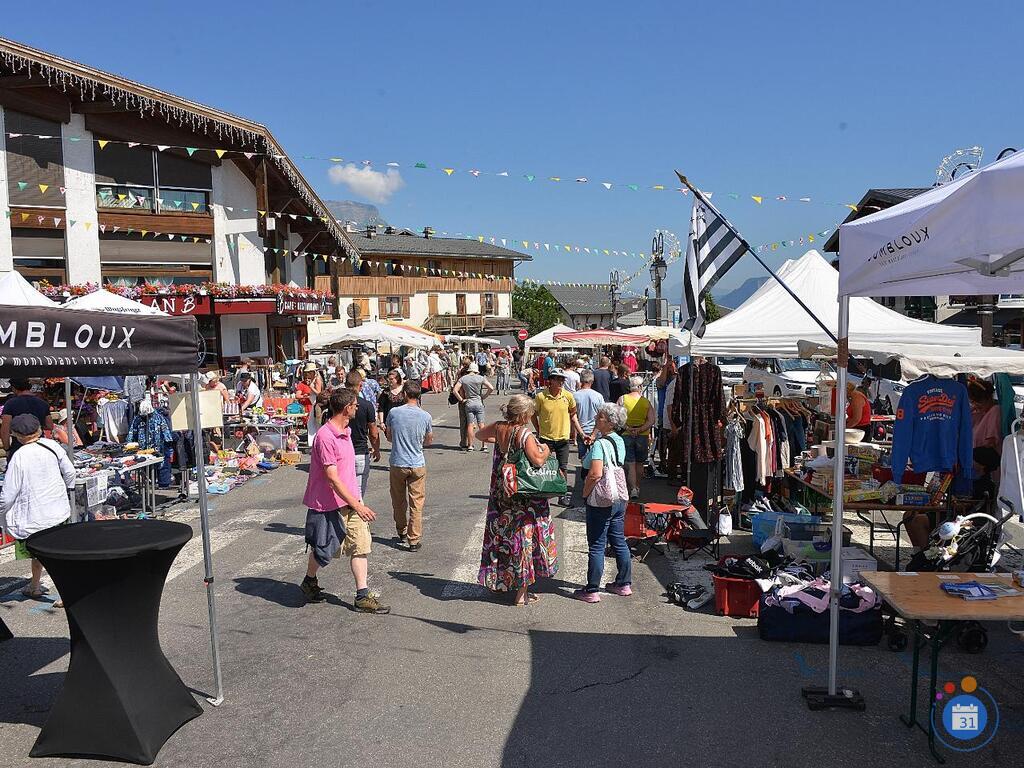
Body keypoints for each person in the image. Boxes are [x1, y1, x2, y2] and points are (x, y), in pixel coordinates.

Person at [299, 389, 389, 613]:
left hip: (351, 500)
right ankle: (309, 580)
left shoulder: (346, 431)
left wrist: (357, 501)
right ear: (347, 408)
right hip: (329, 504)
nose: (357, 408)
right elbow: (332, 478)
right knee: (323, 550)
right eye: (355, 405)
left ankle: (362, 595)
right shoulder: (326, 437)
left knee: (360, 546)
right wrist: (359, 505)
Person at [476, 395, 559, 606]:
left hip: (502, 493)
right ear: (523, 414)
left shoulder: (498, 427)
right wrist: (547, 448)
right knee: (523, 540)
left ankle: (498, 582)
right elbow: (538, 460)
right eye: (530, 414)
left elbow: (479, 435)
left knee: (501, 537)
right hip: (523, 497)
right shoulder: (524, 433)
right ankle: (521, 594)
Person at [1, 414, 76, 603]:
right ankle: (35, 586)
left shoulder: (19, 456)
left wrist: (2, 512)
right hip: (57, 511)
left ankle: (66, 593)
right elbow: (70, 472)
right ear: (39, 429)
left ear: (17, 435)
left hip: (35, 515)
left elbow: (9, 493)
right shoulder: (52, 445)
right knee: (48, 553)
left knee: (49, 555)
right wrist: (65, 491)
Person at [573, 403, 632, 603]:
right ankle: (623, 583)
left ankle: (591, 589)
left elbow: (595, 473)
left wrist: (585, 492)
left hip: (602, 498)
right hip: (619, 496)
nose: (596, 420)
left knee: (597, 544)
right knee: (619, 540)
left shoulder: (600, 444)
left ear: (610, 422)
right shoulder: (619, 441)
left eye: (600, 418)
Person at [384, 381, 433, 551]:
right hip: (417, 462)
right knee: (417, 503)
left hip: (398, 461)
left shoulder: (394, 413)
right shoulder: (426, 416)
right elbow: (428, 440)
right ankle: (414, 539)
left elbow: (389, 437)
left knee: (398, 500)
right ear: (419, 396)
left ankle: (401, 529)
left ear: (404, 394)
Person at [532, 369, 585, 507]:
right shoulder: (541, 397)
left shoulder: (568, 396)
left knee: (563, 467)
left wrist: (580, 433)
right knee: (542, 466)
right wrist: (538, 429)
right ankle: (542, 496)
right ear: (551, 380)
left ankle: (562, 496)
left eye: (562, 379)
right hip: (546, 438)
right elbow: (533, 414)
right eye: (558, 379)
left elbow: (573, 414)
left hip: (562, 438)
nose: (561, 382)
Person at [617, 376, 657, 499]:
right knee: (640, 463)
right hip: (642, 435)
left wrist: (628, 428)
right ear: (640, 387)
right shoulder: (645, 402)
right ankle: (637, 487)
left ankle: (632, 488)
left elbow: (617, 417)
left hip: (626, 434)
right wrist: (640, 429)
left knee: (630, 463)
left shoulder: (622, 399)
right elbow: (651, 420)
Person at [346, 371, 381, 498]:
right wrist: (376, 450)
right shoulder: (367, 405)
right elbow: (373, 432)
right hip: (359, 451)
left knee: (341, 495)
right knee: (358, 495)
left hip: (340, 453)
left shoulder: (337, 404)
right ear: (360, 385)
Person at [127, 400, 176, 488]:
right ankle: (150, 481)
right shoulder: (137, 419)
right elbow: (132, 431)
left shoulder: (158, 417)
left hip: (159, 446)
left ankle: (163, 484)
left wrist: (168, 442)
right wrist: (129, 444)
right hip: (143, 448)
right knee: (146, 466)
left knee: (162, 465)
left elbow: (165, 430)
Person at [1, 379, 53, 461]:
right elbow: (50, 426)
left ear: (14, 388)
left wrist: (7, 449)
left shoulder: (10, 404)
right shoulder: (42, 403)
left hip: (19, 444)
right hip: (39, 443)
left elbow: (5, 430)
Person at [454, 362, 494, 451]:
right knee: (481, 424)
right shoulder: (481, 378)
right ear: (476, 371)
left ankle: (470, 445)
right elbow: (491, 388)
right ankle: (484, 446)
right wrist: (484, 396)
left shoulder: (463, 379)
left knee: (470, 424)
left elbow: (455, 390)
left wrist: (461, 399)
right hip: (479, 402)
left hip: (468, 403)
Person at [573, 369, 605, 458]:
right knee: (597, 458)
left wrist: (582, 434)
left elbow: (573, 417)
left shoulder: (574, 396)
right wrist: (594, 434)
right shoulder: (598, 396)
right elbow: (602, 416)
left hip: (581, 430)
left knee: (583, 461)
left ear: (581, 380)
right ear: (592, 381)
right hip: (596, 431)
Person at [295, 362, 324, 445]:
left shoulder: (317, 379)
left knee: (314, 423)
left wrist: (311, 387)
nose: (308, 374)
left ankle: (315, 442)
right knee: (311, 423)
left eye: (309, 372)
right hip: (312, 402)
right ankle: (312, 442)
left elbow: (319, 392)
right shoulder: (313, 380)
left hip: (315, 402)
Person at [451, 356, 472, 450]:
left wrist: (460, 399)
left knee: (463, 422)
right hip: (471, 399)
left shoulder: (460, 374)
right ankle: (470, 443)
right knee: (470, 422)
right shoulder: (472, 374)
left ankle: (463, 441)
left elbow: (455, 387)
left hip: (462, 400)